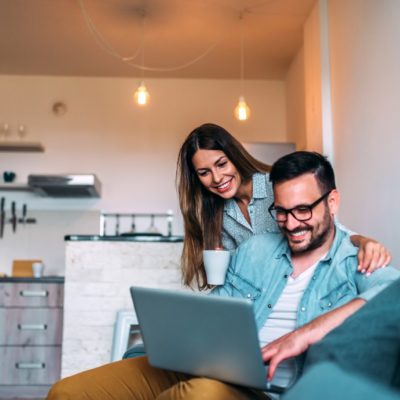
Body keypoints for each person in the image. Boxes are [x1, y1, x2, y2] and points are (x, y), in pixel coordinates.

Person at [47, 151, 400, 400]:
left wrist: (302, 336)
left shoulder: (358, 259)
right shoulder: (255, 250)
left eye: (303, 210)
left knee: (200, 395)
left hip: (262, 391)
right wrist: (174, 336)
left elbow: (391, 296)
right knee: (68, 392)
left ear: (332, 202)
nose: (291, 224)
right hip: (210, 369)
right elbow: (218, 309)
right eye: (281, 212)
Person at [177, 123, 390, 289]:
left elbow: (328, 230)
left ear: (234, 157)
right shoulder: (216, 214)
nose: (216, 178)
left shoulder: (275, 186)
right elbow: (232, 274)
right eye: (204, 173)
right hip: (261, 298)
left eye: (221, 164)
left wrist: (364, 241)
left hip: (303, 284)